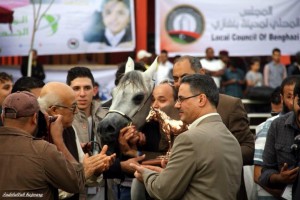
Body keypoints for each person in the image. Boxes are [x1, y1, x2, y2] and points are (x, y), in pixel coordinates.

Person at [131, 74, 243, 199]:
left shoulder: (188, 139)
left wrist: (147, 175)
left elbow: (163, 191)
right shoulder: (232, 139)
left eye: (181, 99)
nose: (177, 105)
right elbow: (205, 183)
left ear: (201, 99)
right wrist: (168, 175)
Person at [172, 55, 254, 200]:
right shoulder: (174, 108)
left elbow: (248, 149)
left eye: (184, 77)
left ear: (202, 73)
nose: (179, 83)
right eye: (175, 78)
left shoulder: (230, 105)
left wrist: (210, 155)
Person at [0, 91, 85, 199]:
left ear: (2, 118)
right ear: (35, 118)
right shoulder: (43, 150)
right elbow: (76, 183)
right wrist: (58, 141)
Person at [38, 82, 115, 199]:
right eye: (73, 107)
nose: (76, 112)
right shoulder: (35, 135)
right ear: (54, 110)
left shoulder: (70, 129)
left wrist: (96, 170)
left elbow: (84, 175)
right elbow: (54, 191)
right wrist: (59, 142)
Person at [253, 76, 299, 199]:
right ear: (282, 98)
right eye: (289, 97)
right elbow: (258, 174)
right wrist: (286, 193)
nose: (293, 102)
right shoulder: (273, 125)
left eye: (296, 96)